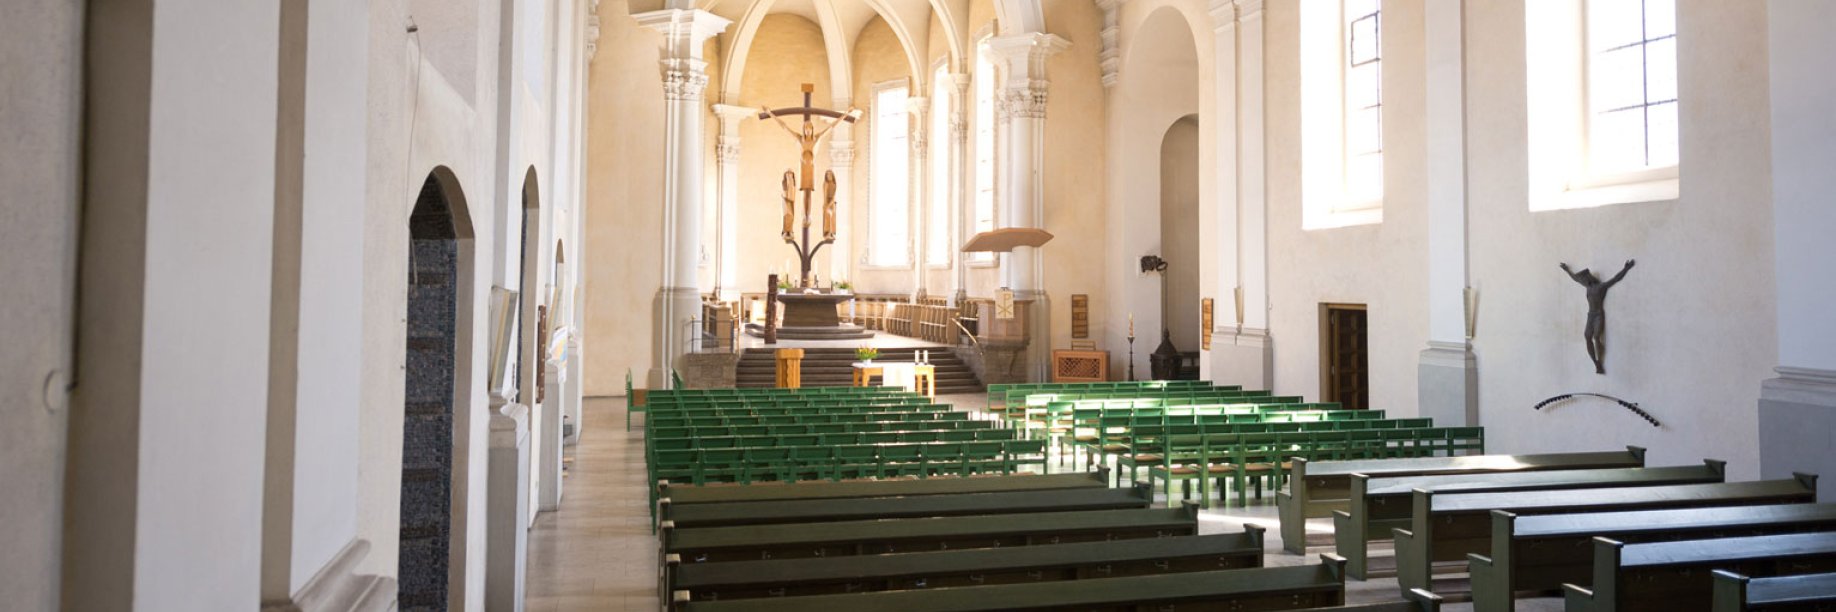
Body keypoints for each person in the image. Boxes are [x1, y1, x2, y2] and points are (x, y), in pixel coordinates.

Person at [1559, 259, 1636, 374]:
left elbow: (1615, 279)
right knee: (1587, 336)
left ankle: (1599, 360)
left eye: (1585, 278)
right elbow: (1575, 278)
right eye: (1583, 279)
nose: (1583, 280)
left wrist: (1626, 269)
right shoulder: (1587, 287)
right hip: (1590, 315)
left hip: (1598, 314)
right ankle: (1596, 363)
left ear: (1589, 278)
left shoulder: (1601, 287)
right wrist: (1567, 270)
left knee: (1596, 337)